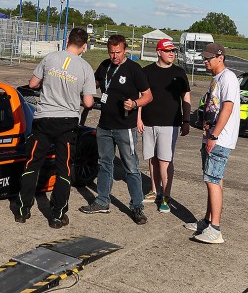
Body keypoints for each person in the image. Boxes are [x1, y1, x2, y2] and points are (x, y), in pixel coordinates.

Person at [14, 28, 96, 229]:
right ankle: (57, 215)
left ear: (67, 40)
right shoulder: (85, 67)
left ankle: (23, 210)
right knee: (64, 169)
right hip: (67, 123)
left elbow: (33, 84)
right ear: (84, 46)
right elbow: (88, 102)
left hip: (43, 118)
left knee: (32, 164)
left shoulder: (50, 57)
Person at [79, 34, 152, 225]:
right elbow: (93, 84)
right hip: (104, 126)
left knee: (131, 167)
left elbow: (148, 96)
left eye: (118, 52)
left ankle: (137, 206)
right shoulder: (105, 65)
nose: (114, 56)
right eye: (111, 52)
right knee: (104, 164)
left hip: (125, 127)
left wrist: (135, 104)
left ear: (125, 50)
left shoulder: (134, 69)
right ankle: (102, 201)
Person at [185, 42, 240, 244]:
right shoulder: (217, 79)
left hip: (219, 138)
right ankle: (208, 221)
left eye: (208, 58)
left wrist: (214, 136)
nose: (205, 61)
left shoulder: (228, 78)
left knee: (212, 180)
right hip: (212, 136)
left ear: (220, 57)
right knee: (213, 178)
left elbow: (227, 108)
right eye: (204, 58)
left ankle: (215, 229)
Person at [139, 38, 190, 214]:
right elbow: (140, 95)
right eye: (168, 50)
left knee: (165, 160)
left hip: (170, 123)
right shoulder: (146, 72)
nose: (171, 54)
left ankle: (166, 196)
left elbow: (186, 98)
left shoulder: (179, 73)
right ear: (158, 52)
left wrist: (186, 121)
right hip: (148, 122)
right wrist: (138, 118)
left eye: (173, 51)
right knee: (152, 158)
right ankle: (155, 190)